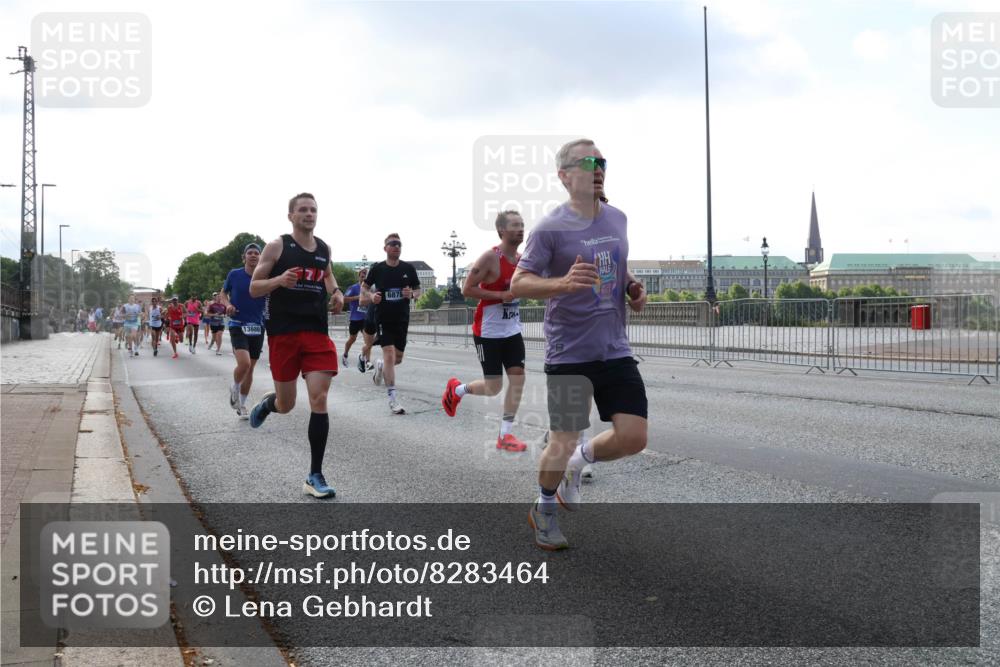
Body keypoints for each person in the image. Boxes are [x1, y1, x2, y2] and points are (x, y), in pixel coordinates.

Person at [511, 138, 648, 551]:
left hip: (614, 348)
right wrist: (562, 283)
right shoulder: (550, 228)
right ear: (565, 175)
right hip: (569, 352)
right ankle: (544, 508)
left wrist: (632, 288)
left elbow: (619, 269)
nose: (598, 167)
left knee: (633, 437)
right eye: (589, 161)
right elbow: (519, 282)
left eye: (602, 161)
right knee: (562, 438)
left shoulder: (618, 218)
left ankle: (579, 462)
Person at [248, 193, 345, 499]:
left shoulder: (324, 248)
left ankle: (314, 475)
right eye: (302, 209)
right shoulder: (278, 246)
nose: (309, 214)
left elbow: (328, 276)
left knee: (319, 397)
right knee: (287, 405)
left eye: (313, 209)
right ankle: (270, 404)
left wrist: (338, 292)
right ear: (290, 216)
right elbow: (254, 287)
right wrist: (278, 281)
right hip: (284, 333)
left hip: (316, 332)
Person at [442, 210, 528, 452]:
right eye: (514, 225)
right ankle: (458, 389)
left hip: (512, 329)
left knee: (518, 379)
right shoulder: (490, 258)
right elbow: (467, 289)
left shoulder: (523, 260)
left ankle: (505, 435)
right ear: (501, 231)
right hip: (488, 331)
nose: (520, 229)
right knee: (494, 387)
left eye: (522, 225)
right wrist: (500, 295)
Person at [361, 233, 420, 415]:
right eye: (392, 244)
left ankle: (380, 366)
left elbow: (418, 291)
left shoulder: (408, 269)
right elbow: (364, 287)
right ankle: (393, 400)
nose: (396, 247)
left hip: (402, 318)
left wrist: (410, 294)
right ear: (385, 248)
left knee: (398, 358)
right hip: (383, 317)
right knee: (388, 354)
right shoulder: (378, 269)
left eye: (399, 244)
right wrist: (372, 296)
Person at [220, 243, 267, 419]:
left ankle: (242, 404)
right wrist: (228, 305)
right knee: (244, 363)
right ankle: (235, 385)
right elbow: (223, 293)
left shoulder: (265, 276)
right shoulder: (235, 274)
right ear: (244, 257)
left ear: (261, 257)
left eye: (257, 253)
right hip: (237, 323)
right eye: (250, 253)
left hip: (258, 325)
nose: (253, 255)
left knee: (251, 369)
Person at [342, 267, 368, 368]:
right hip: (355, 319)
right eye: (362, 275)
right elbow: (344, 299)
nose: (364, 277)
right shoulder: (353, 288)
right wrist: (357, 297)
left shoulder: (369, 289)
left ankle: (366, 361)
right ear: (359, 276)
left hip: (365, 318)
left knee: (368, 340)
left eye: (365, 276)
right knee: (352, 339)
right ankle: (345, 354)